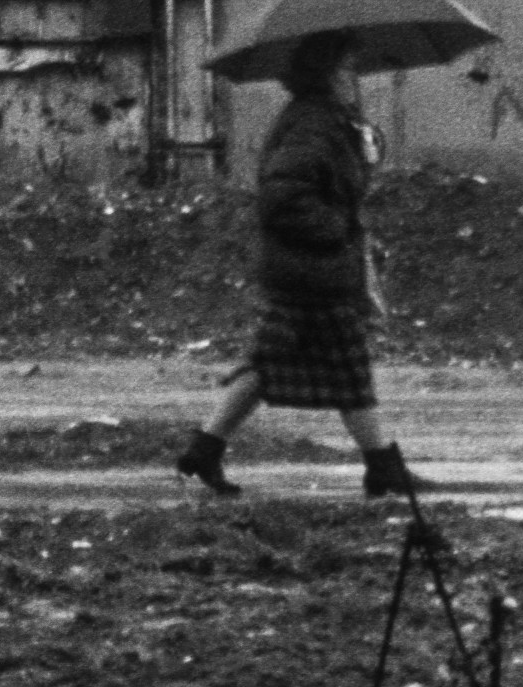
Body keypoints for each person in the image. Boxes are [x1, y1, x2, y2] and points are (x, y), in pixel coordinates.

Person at [173, 35, 424, 500]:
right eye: (348, 68)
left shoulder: (328, 122)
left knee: (267, 364)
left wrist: (362, 148)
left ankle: (203, 450)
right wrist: (337, 231)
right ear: (327, 73)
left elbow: (331, 186)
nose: (356, 78)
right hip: (314, 271)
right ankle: (383, 467)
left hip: (308, 269)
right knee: (350, 372)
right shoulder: (312, 124)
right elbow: (283, 198)